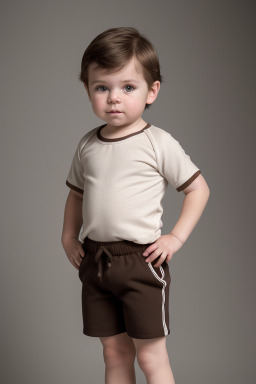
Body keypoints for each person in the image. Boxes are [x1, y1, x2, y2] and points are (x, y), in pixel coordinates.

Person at [61, 27, 210, 384]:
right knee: (114, 352)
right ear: (88, 90)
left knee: (150, 356)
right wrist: (68, 237)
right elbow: (77, 194)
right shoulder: (87, 145)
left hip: (140, 262)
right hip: (97, 262)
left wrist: (175, 238)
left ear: (151, 91)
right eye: (102, 87)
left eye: (128, 87)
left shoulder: (158, 142)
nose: (114, 98)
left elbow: (199, 189)